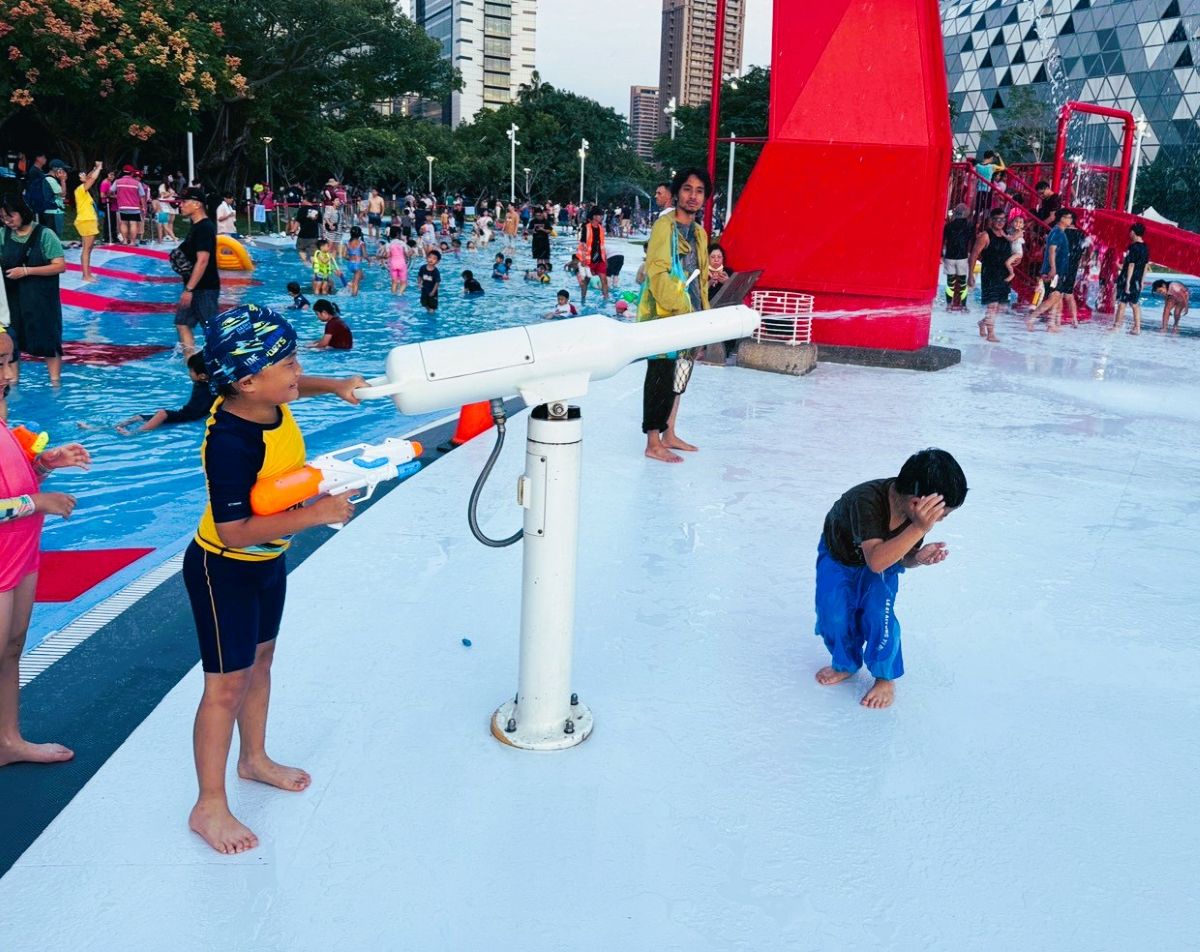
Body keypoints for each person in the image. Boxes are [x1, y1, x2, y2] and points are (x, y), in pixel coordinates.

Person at [183, 303, 364, 854]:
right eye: (287, 363)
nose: (296, 371)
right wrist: (316, 514)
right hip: (225, 569)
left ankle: (254, 758)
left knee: (261, 663)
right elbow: (234, 530)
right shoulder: (231, 443)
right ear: (247, 381)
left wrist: (333, 384)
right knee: (225, 686)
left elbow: (290, 388)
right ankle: (208, 804)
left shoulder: (266, 396)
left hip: (268, 561)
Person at [813, 448, 968, 710]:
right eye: (942, 514)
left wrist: (917, 557)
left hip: (882, 559)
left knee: (879, 613)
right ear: (917, 502)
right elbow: (876, 560)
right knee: (834, 615)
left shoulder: (914, 517)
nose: (939, 520)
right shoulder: (865, 501)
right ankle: (846, 663)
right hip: (839, 557)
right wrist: (919, 527)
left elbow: (898, 558)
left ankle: (885, 676)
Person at [0, 327, 91, 767]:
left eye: (6, 361)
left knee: (12, 647)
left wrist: (43, 464)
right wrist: (36, 502)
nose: (6, 373)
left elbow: (12, 481)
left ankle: (8, 740)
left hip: (20, 551)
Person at [638, 167, 711, 464]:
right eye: (687, 189)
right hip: (665, 317)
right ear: (677, 192)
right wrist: (681, 311)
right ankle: (653, 442)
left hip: (691, 316)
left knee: (680, 375)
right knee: (659, 376)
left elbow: (703, 278)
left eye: (699, 191)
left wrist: (703, 321)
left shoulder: (699, 233)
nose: (693, 196)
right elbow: (656, 272)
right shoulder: (664, 227)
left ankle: (669, 433)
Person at [2, 196, 66, 385]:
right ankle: (13, 383)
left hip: (41, 299)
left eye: (10, 216)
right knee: (13, 341)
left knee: (48, 339)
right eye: (3, 218)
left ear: (22, 213)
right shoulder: (3, 234)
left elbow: (60, 265)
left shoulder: (45, 234)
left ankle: (55, 382)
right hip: (12, 298)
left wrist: (27, 271)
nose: (7, 221)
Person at [109, 353, 213, 434]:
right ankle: (116, 426)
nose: (188, 373)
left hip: (187, 416)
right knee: (140, 417)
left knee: (162, 414)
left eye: (191, 371)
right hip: (187, 412)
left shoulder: (210, 387)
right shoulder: (208, 383)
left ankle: (134, 433)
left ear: (202, 376)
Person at [173, 187, 221, 356]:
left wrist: (189, 289)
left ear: (196, 205)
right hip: (194, 287)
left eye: (184, 202)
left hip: (204, 288)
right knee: (182, 323)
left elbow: (203, 260)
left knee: (212, 330)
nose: (181, 205)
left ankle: (224, 364)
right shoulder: (197, 227)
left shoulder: (204, 228)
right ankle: (191, 363)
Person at [1025, 208, 1073, 333]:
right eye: (1068, 217)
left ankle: (1051, 323)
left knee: (1056, 296)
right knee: (1054, 296)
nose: (1070, 220)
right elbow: (1052, 250)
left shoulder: (1057, 232)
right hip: (1054, 271)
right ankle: (1032, 317)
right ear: (1061, 218)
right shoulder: (1058, 232)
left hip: (1056, 271)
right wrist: (1053, 268)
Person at [967, 208, 1011, 343]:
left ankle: (983, 322)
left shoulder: (1006, 235)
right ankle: (990, 334)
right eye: (997, 219)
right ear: (991, 220)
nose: (1000, 222)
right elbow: (974, 255)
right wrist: (970, 274)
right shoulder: (985, 236)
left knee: (1001, 306)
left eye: (1003, 219)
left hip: (1004, 274)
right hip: (990, 274)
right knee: (992, 305)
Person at [1112, 223, 1149, 335]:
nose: (1129, 234)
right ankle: (1137, 328)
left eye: (1130, 232)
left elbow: (1131, 265)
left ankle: (1117, 326)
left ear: (1133, 232)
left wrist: (1127, 282)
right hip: (1137, 279)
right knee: (1134, 303)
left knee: (1122, 302)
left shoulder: (1133, 247)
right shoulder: (1145, 247)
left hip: (1128, 279)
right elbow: (1145, 266)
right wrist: (1142, 281)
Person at [74, 161, 104, 281]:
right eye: (82, 175)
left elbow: (90, 177)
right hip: (86, 221)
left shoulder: (82, 190)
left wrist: (94, 167)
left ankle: (87, 273)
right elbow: (92, 179)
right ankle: (86, 275)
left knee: (88, 249)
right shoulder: (80, 189)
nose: (85, 176)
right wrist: (99, 168)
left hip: (87, 221)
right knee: (87, 249)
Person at [941, 204, 973, 311]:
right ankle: (963, 305)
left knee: (950, 282)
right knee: (963, 283)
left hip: (950, 256)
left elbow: (942, 241)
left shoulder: (948, 226)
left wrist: (941, 254)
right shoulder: (969, 226)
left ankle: (949, 305)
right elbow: (971, 240)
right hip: (962, 257)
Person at [578, 207, 609, 305]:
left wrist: (606, 258)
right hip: (588, 259)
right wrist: (583, 259)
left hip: (600, 258)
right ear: (595, 216)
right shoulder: (586, 227)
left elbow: (602, 244)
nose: (601, 217)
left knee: (604, 280)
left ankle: (606, 300)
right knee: (586, 280)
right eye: (600, 215)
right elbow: (582, 243)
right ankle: (583, 299)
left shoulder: (601, 228)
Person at [113, 165, 144, 246]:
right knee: (133, 224)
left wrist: (116, 196)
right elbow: (142, 195)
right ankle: (133, 242)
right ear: (132, 173)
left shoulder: (117, 181)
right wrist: (143, 207)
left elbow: (111, 191)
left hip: (122, 206)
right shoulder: (137, 183)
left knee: (123, 223)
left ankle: (125, 241)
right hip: (134, 207)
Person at [289, 196, 322, 265]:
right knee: (313, 255)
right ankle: (315, 270)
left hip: (303, 236)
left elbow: (298, 222)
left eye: (302, 199)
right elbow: (321, 224)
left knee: (301, 250)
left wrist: (293, 231)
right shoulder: (317, 209)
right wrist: (323, 235)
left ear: (306, 200)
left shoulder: (302, 210)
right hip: (314, 236)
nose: (301, 201)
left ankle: (305, 264)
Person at [972, 151, 1004, 220]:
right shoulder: (992, 166)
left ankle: (975, 223)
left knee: (978, 208)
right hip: (988, 190)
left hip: (979, 190)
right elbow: (1003, 167)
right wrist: (999, 157)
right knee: (987, 208)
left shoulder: (977, 166)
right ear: (991, 158)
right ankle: (984, 223)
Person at [44, 161, 68, 239]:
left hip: (51, 211)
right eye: (62, 170)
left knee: (54, 233)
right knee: (55, 234)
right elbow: (62, 193)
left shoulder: (48, 178)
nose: (64, 172)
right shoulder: (50, 180)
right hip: (54, 211)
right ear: (56, 169)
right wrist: (63, 180)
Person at [342, 226, 368, 297]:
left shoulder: (347, 243)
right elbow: (365, 255)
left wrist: (350, 259)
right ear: (360, 234)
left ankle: (350, 283)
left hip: (350, 265)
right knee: (356, 283)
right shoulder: (361, 243)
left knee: (362, 276)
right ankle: (353, 297)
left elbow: (344, 255)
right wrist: (369, 260)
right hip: (357, 264)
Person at [386, 227, 408, 294]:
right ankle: (400, 294)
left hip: (392, 264)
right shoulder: (402, 243)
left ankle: (393, 295)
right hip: (401, 264)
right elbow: (406, 254)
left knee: (394, 282)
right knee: (403, 282)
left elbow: (387, 255)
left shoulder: (388, 244)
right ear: (398, 234)